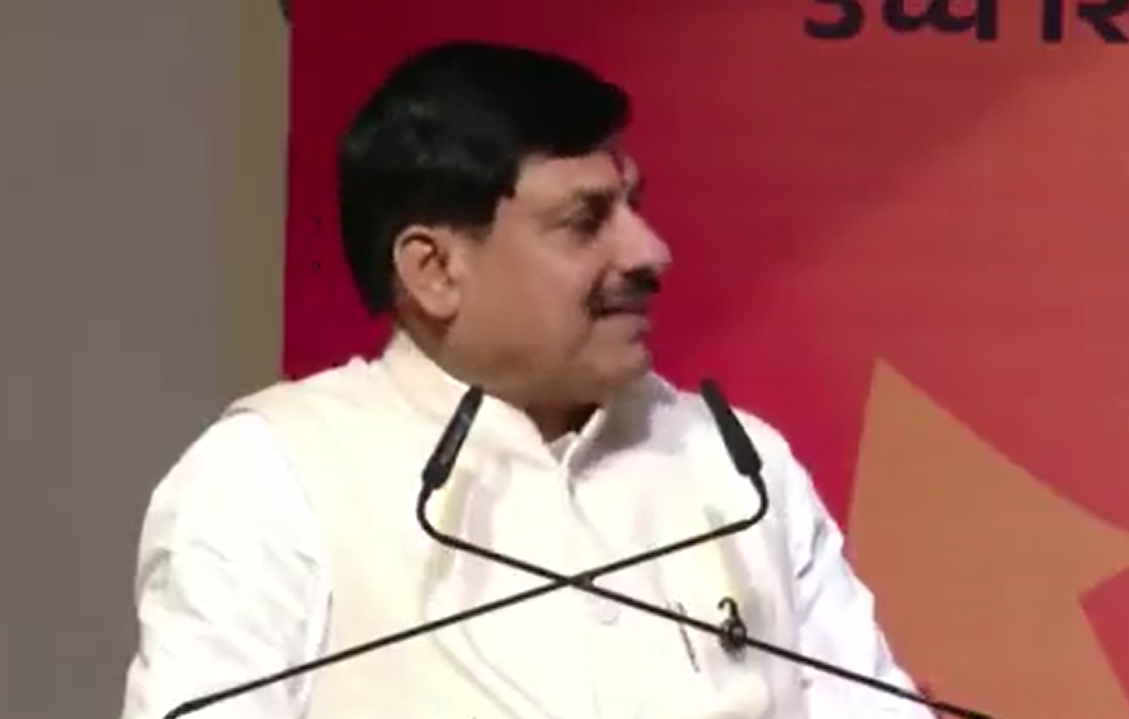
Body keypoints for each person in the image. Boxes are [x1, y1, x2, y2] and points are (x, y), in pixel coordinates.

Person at [119, 40, 932, 719]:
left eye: (633, 206)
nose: (648, 252)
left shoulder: (735, 466)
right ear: (435, 269)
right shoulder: (272, 475)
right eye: (585, 221)